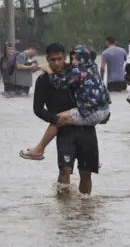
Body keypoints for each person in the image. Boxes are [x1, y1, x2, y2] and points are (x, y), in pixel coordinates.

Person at [28, 43, 100, 195]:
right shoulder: (43, 80)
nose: (56, 63)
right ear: (47, 59)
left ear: (65, 58)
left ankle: (85, 209)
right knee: (64, 170)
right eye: (52, 60)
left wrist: (101, 113)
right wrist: (54, 118)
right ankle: (65, 212)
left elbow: (95, 91)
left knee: (86, 173)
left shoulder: (76, 73)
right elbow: (38, 108)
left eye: (59, 59)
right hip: (63, 130)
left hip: (86, 128)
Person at [20, 45, 110, 161]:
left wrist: (49, 70)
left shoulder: (77, 72)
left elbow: (59, 84)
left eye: (73, 59)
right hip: (103, 110)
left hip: (89, 113)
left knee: (58, 119)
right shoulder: (93, 68)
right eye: (53, 60)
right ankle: (91, 159)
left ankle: (39, 149)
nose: (71, 62)